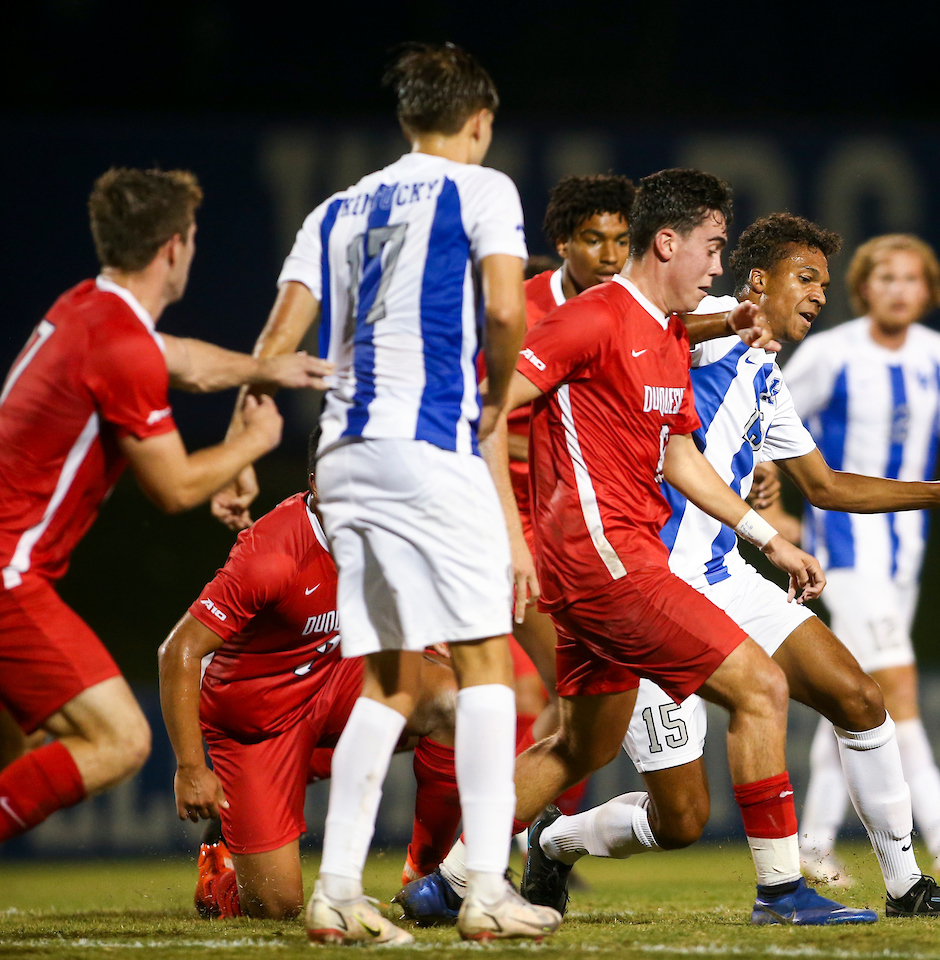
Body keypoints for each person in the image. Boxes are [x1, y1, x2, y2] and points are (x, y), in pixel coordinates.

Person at [407, 212, 940, 925]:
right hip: (650, 577)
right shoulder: (706, 319)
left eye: (822, 282)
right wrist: (727, 324)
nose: (818, 295)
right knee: (680, 811)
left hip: (724, 576)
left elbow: (825, 487)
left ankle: (907, 887)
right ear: (758, 281)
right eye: (804, 278)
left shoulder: (766, 375)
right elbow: (653, 334)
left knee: (858, 697)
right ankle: (550, 848)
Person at [422, 169, 840, 927]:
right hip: (606, 561)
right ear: (669, 241)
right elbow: (483, 408)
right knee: (762, 689)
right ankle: (781, 892)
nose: (719, 268)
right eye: (712, 250)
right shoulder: (592, 318)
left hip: (611, 561)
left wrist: (765, 537)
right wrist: (512, 538)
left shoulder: (665, 334)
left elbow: (680, 458)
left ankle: (448, 882)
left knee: (580, 747)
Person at [263, 43, 559, 945]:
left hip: (345, 457)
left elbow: (277, 345)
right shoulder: (484, 189)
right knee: (483, 667)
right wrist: (496, 398)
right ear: (478, 120)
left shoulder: (335, 207)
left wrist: (247, 440)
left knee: (388, 678)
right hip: (429, 447)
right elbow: (507, 310)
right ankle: (484, 891)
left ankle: (338, 890)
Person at [0, 167, 329, 846]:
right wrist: (253, 444)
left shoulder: (86, 306)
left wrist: (261, 369)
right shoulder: (121, 345)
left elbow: (180, 359)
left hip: (13, 568)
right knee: (118, 740)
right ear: (174, 248)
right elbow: (174, 488)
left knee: (17, 747)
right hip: (9, 577)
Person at [783, 233, 940, 882]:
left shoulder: (936, 354)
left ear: (930, 292)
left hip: (904, 557)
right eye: (886, 277)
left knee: (853, 697)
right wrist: (770, 511)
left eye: (911, 279)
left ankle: (811, 842)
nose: (899, 289)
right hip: (843, 549)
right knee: (896, 687)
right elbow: (763, 419)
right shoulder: (829, 354)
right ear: (863, 288)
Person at [400, 174, 636, 886]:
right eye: (594, 238)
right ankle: (467, 859)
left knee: (560, 701)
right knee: (458, 700)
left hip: (569, 538)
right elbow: (483, 425)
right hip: (498, 531)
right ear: (560, 243)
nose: (609, 254)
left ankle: (511, 851)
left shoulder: (630, 314)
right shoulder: (524, 314)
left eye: (622, 240)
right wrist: (511, 535)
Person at [159, 430, 458, 920]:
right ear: (318, 486)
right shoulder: (271, 556)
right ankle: (219, 878)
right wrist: (191, 767)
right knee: (278, 906)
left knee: (455, 701)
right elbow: (179, 651)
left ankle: (428, 875)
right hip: (259, 720)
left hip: (333, 679)